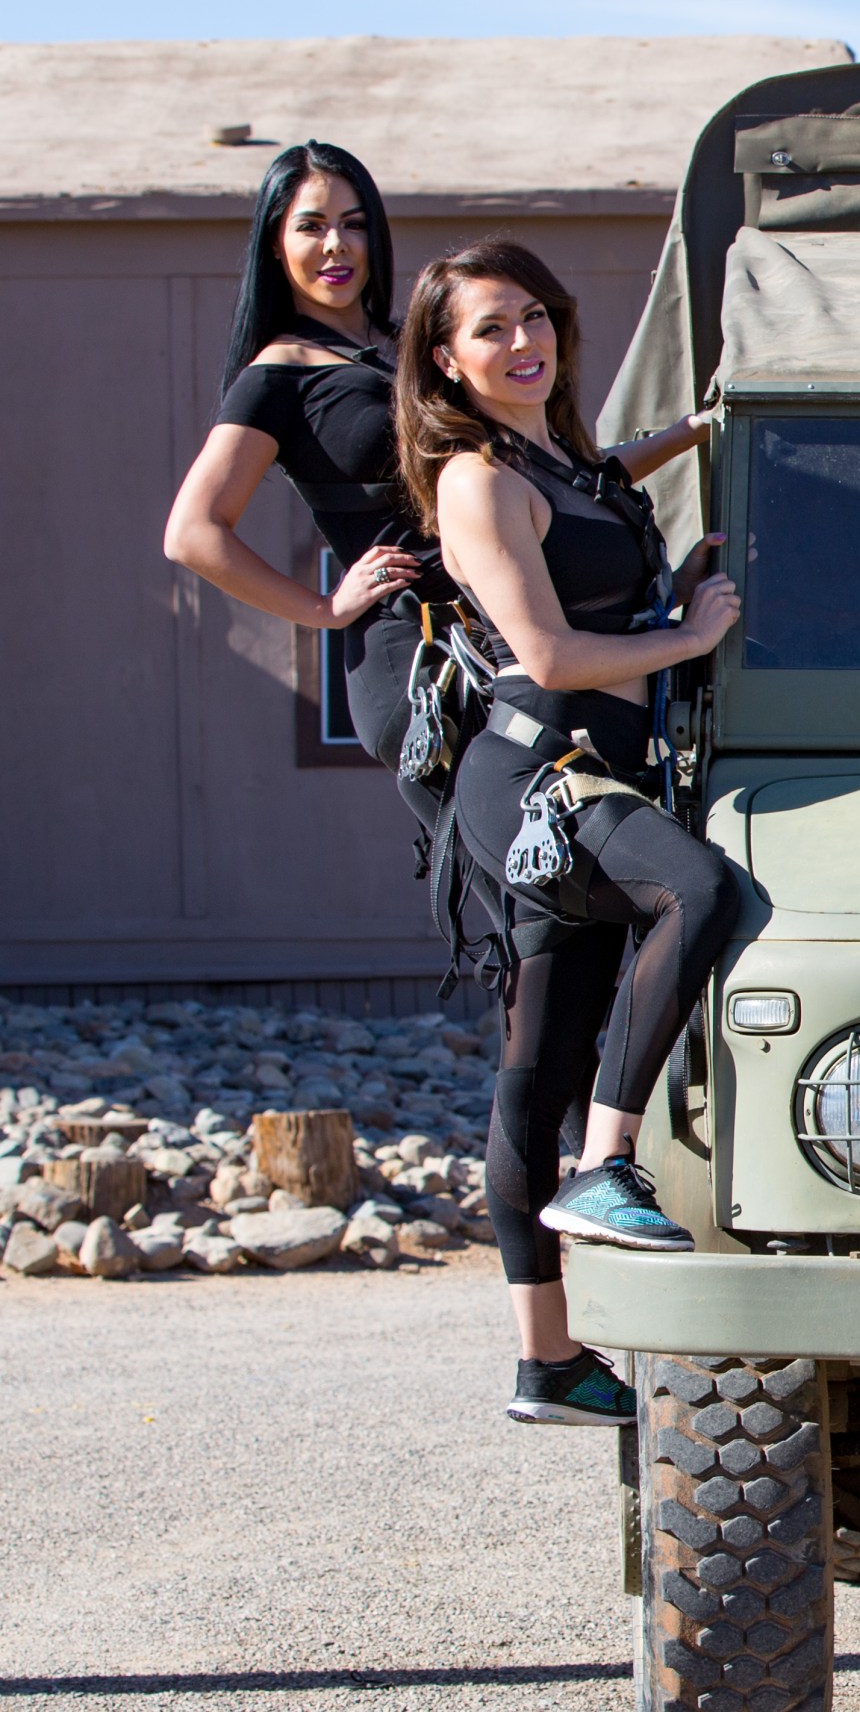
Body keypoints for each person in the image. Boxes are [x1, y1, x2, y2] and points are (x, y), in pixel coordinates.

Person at [395, 238, 734, 1425]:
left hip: (592, 773)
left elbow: (608, 488)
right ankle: (608, 1169)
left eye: (535, 317)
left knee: (535, 1068)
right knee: (705, 894)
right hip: (543, 778)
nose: (523, 341)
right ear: (444, 359)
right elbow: (547, 655)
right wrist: (684, 640)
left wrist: (710, 430)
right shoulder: (478, 480)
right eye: (491, 329)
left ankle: (549, 1365)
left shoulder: (563, 460)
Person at [163, 143, 445, 820]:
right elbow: (191, 533)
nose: (336, 245)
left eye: (354, 223)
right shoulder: (276, 377)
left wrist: (683, 436)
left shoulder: (419, 343)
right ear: (275, 243)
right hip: (412, 655)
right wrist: (323, 609)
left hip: (495, 632)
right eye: (311, 225)